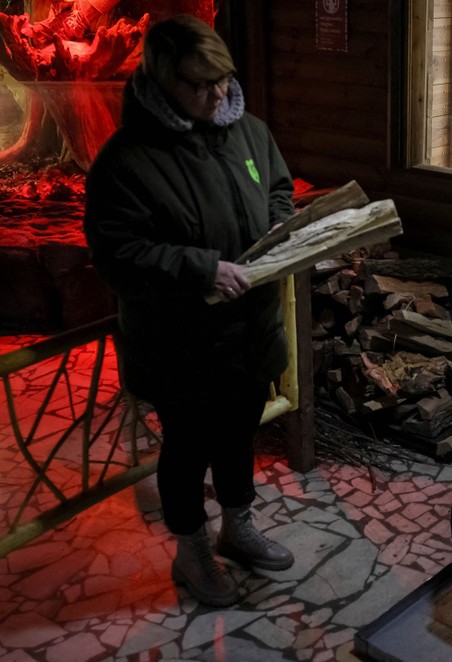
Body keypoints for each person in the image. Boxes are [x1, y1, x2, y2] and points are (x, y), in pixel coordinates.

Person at [83, 14, 297, 608]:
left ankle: (237, 525)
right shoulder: (126, 160)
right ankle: (191, 548)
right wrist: (201, 268)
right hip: (179, 342)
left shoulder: (249, 132)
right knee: (186, 448)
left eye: (223, 81)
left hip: (251, 329)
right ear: (161, 81)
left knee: (237, 437)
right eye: (199, 85)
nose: (217, 95)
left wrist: (281, 221)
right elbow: (116, 253)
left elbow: (277, 187)